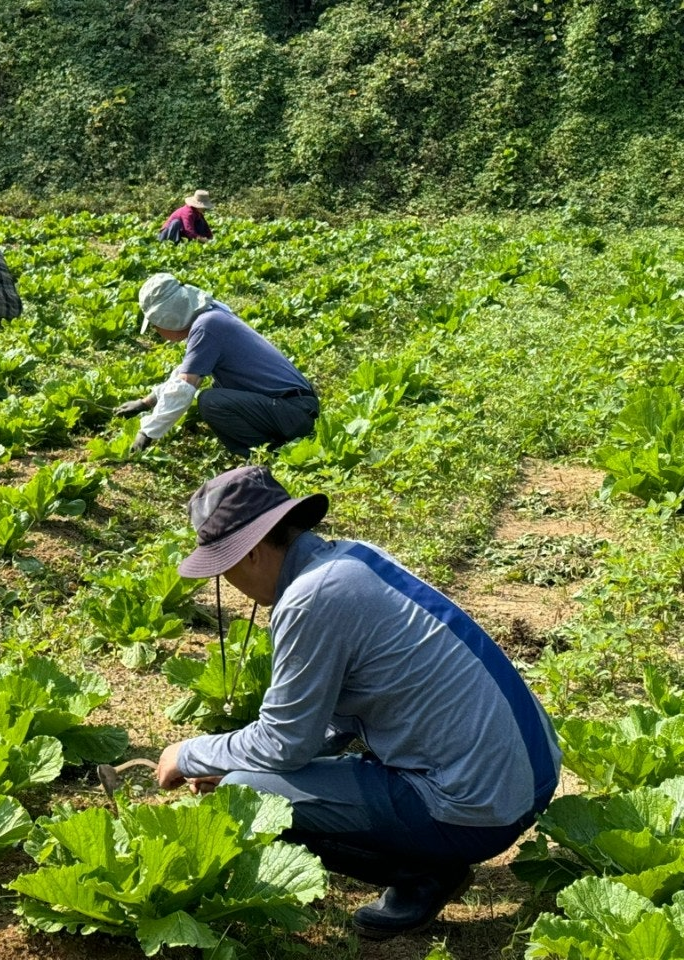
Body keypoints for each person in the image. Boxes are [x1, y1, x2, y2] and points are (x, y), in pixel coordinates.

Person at [155, 465, 561, 940]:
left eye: (222, 566)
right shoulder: (351, 559)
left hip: (478, 808)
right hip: (531, 776)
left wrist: (189, 753)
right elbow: (326, 724)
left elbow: (284, 743)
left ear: (252, 553)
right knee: (247, 773)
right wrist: (235, 756)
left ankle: (429, 873)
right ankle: (433, 853)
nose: (226, 580)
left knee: (245, 791)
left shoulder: (310, 599)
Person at [113, 273, 318, 457]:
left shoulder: (206, 327)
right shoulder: (212, 315)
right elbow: (185, 372)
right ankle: (272, 447)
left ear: (169, 317)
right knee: (218, 391)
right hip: (294, 408)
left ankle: (268, 453)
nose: (157, 331)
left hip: (293, 412)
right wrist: (146, 402)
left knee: (211, 401)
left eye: (155, 325)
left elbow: (184, 386)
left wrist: (147, 433)